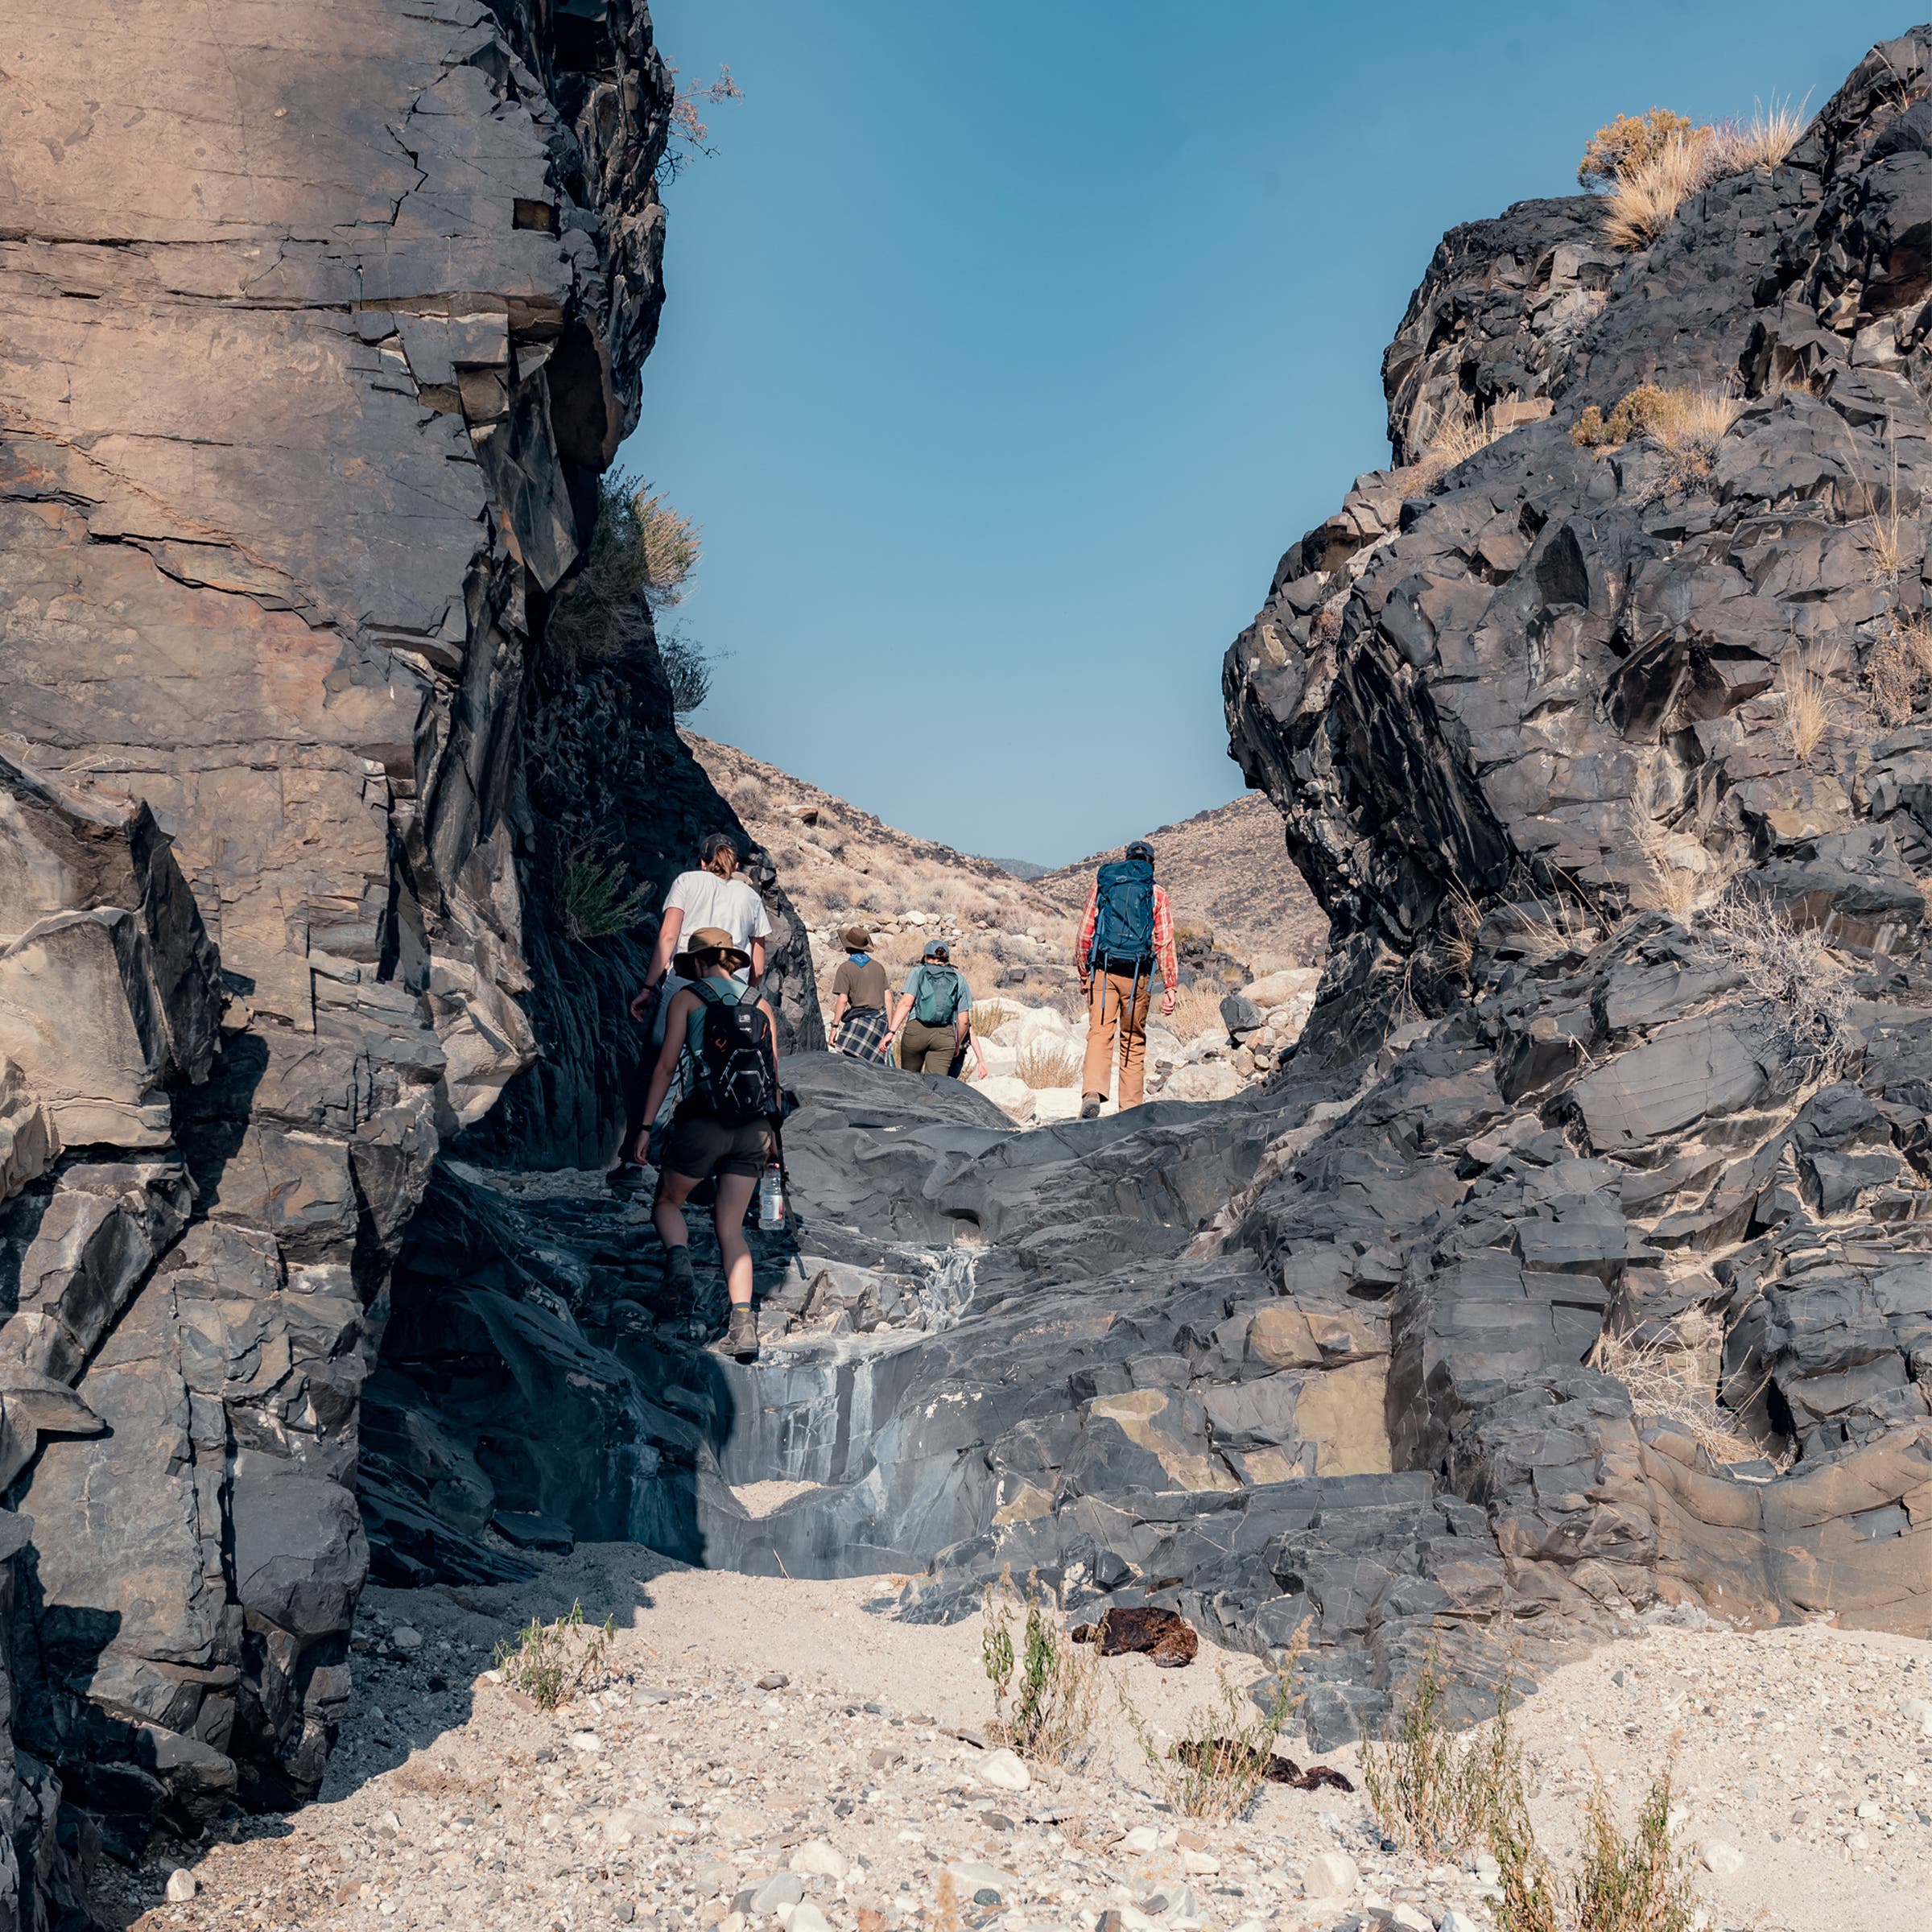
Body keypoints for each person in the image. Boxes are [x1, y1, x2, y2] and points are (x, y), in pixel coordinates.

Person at [637, 928, 781, 1362]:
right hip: (754, 1129)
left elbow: (665, 1067)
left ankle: (679, 1273)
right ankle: (742, 1323)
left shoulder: (687, 999)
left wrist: (645, 1127)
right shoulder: (761, 1005)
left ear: (698, 962)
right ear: (730, 961)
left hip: (704, 1123)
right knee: (731, 1227)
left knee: (667, 1201)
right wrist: (774, 1138)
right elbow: (775, 1078)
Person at [615, 832, 773, 1179]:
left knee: (661, 1066)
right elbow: (758, 963)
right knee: (719, 1069)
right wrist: (748, 994)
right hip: (733, 992)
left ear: (702, 860)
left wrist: (648, 986)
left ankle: (639, 1157)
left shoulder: (688, 881)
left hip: (685, 985)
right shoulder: (749, 896)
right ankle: (711, 1163)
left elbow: (669, 937)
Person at [1075, 839, 1177, 1118]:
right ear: (1151, 864)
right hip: (1138, 977)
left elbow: (1086, 932)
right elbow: (1165, 941)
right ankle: (1130, 1111)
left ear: (1127, 859)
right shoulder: (1157, 893)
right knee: (1132, 1038)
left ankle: (1093, 1093)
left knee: (1099, 1033)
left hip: (1104, 970)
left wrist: (1085, 973)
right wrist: (1170, 986)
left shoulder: (1106, 884)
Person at [889, 939, 986, 1078]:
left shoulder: (918, 972)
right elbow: (964, 1020)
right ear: (947, 958)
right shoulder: (959, 979)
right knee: (936, 1085)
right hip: (944, 1036)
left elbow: (905, 1003)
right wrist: (956, 1044)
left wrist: (891, 1032)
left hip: (916, 1030)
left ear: (926, 956)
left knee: (909, 1081)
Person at [828, 925, 894, 1064]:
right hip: (879, 1023)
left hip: (859, 1022)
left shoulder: (845, 968)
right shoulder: (878, 967)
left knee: (850, 1064)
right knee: (874, 1069)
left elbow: (843, 1000)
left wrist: (835, 1027)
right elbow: (888, 998)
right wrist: (889, 1030)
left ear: (847, 947)